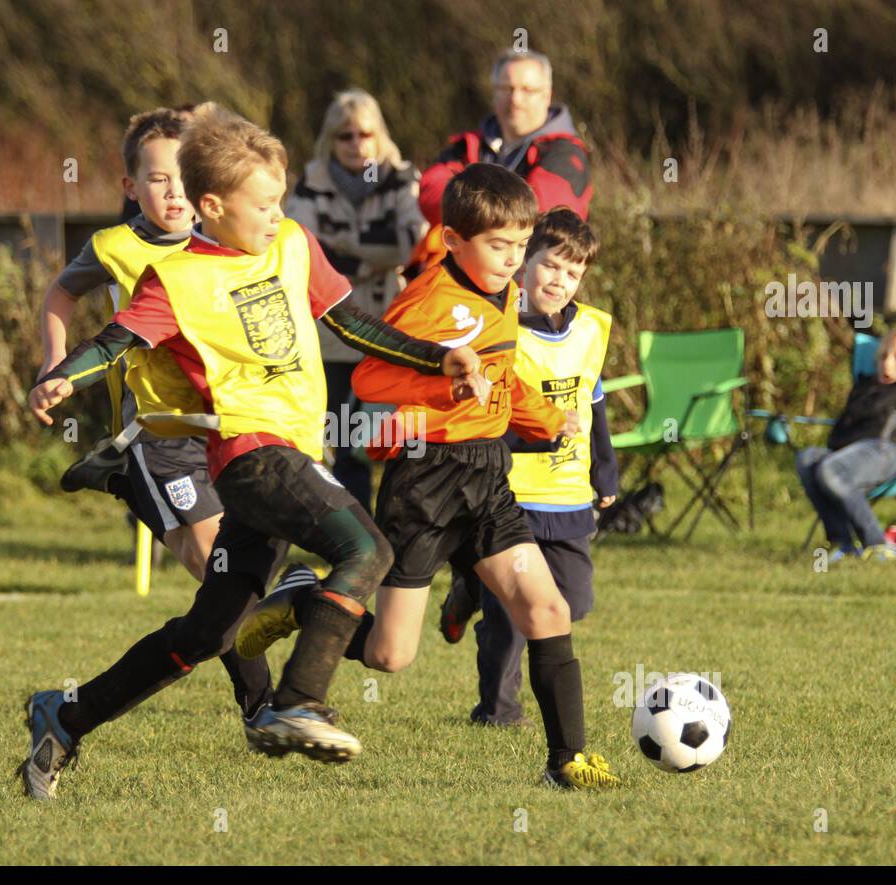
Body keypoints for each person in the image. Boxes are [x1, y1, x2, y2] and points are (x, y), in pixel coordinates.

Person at [18, 103, 479, 800]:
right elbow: (112, 341)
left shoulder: (292, 242)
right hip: (250, 453)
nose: (275, 213)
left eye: (279, 200)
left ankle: (66, 718)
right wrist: (59, 379)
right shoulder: (176, 280)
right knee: (367, 551)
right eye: (261, 203)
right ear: (211, 205)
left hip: (287, 453)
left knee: (209, 631)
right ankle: (297, 701)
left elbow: (352, 324)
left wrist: (436, 358)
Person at [238, 165, 621, 790]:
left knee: (547, 607)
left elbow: (501, 373)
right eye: (499, 246)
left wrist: (546, 417)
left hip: (489, 477)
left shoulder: (508, 293)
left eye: (521, 247)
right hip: (427, 484)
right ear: (452, 241)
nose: (513, 260)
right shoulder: (430, 301)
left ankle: (567, 761)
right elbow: (369, 381)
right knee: (392, 655)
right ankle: (305, 600)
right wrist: (444, 374)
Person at [38, 108, 274, 725]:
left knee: (245, 576)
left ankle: (114, 477)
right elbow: (61, 293)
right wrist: (54, 364)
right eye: (157, 179)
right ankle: (264, 707)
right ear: (130, 187)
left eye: (182, 179)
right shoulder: (114, 247)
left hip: (228, 427)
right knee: (212, 562)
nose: (173, 193)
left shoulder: (231, 244)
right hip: (156, 431)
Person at [459, 208, 618, 726]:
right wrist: (533, 434)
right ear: (527, 262)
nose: (560, 280)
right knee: (510, 616)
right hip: (512, 494)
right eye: (552, 266)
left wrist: (606, 471)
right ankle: (498, 710)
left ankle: (469, 590)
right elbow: (485, 415)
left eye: (573, 274)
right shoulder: (500, 328)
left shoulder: (592, 329)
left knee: (573, 602)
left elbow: (595, 404)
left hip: (569, 494)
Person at [287, 89, 427, 510]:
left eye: (364, 134)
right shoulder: (311, 182)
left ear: (379, 134)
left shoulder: (402, 178)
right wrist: (372, 252)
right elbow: (301, 246)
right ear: (330, 139)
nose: (355, 144)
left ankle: (399, 527)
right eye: (344, 136)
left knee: (396, 437)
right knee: (341, 438)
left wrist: (345, 247)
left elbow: (411, 242)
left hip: (389, 328)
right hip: (329, 332)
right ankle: (357, 531)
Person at [796, 327, 896, 563]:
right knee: (807, 458)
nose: (886, 364)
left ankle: (877, 544)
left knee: (830, 470)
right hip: (846, 452)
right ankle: (842, 543)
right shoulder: (866, 386)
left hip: (887, 450)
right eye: (883, 357)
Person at [418, 51, 593, 229]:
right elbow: (430, 193)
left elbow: (541, 215)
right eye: (506, 89)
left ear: (546, 96)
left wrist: (466, 205)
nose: (515, 100)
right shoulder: (468, 145)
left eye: (527, 90)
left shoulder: (566, 153)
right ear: (494, 93)